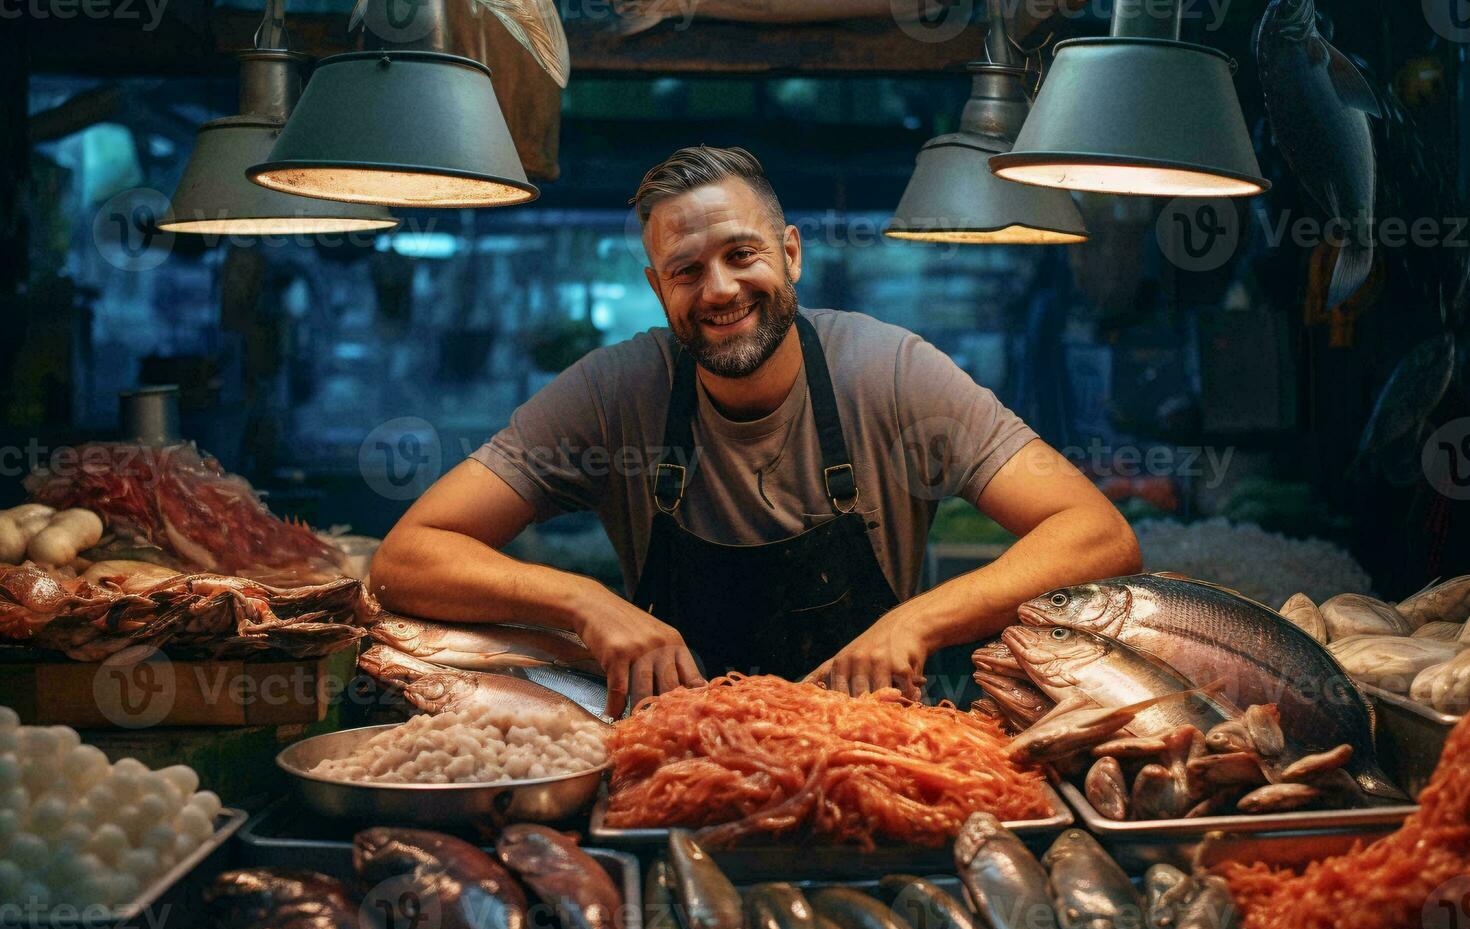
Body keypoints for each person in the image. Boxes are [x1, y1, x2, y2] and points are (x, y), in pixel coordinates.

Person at [370, 145, 1141, 716]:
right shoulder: (613, 392)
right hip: (667, 759)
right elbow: (406, 558)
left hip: (873, 752)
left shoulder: (892, 372)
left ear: (791, 253)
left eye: (742, 255)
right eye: (686, 270)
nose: (720, 289)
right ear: (656, 287)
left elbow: (1097, 535)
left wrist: (918, 620)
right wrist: (584, 603)